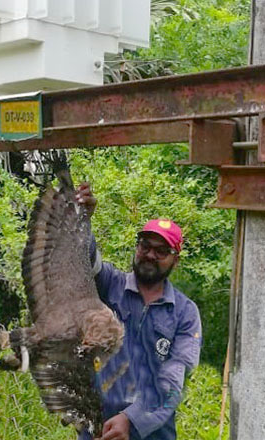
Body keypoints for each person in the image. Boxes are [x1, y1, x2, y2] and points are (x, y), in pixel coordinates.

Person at [75, 183, 203, 440]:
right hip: (98, 429)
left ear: (175, 260)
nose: (150, 255)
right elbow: (86, 260)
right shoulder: (110, 285)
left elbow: (172, 383)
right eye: (145, 246)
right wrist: (83, 221)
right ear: (137, 248)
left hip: (153, 433)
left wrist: (131, 420)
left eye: (162, 251)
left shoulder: (185, 314)